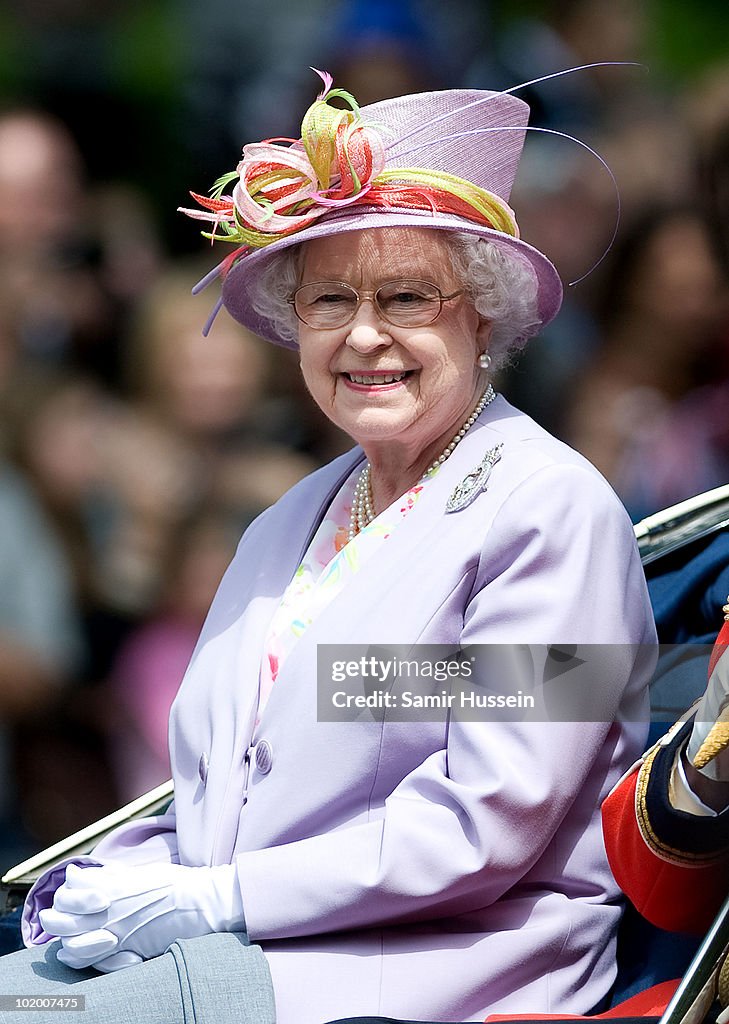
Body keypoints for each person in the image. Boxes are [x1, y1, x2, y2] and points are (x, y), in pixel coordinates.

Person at [0, 71, 656, 1024]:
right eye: (327, 301)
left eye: (404, 297)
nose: (362, 335)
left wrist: (218, 897)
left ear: (482, 313)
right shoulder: (287, 518)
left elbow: (488, 821)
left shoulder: (552, 508)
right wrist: (121, 879)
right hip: (244, 950)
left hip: (434, 976)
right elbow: (241, 786)